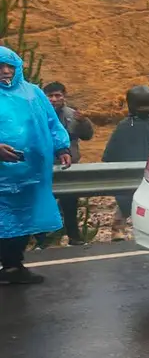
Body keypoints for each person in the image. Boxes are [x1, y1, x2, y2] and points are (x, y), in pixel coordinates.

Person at [0, 47, 72, 284]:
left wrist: (62, 147)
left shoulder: (33, 94)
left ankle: (13, 267)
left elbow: (52, 123)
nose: (6, 71)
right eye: (0, 66)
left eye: (10, 66)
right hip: (2, 177)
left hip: (31, 173)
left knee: (23, 222)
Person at [102, 85, 149, 241]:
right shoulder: (126, 126)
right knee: (127, 202)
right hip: (134, 173)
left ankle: (148, 232)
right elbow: (111, 154)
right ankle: (119, 229)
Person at [41, 81, 94, 246]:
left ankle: (74, 237)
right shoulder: (38, 114)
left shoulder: (73, 115)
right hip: (44, 167)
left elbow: (87, 136)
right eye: (50, 96)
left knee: (70, 203)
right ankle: (43, 241)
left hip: (68, 167)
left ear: (64, 96)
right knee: (43, 204)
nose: (54, 99)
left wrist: (83, 122)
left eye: (58, 95)